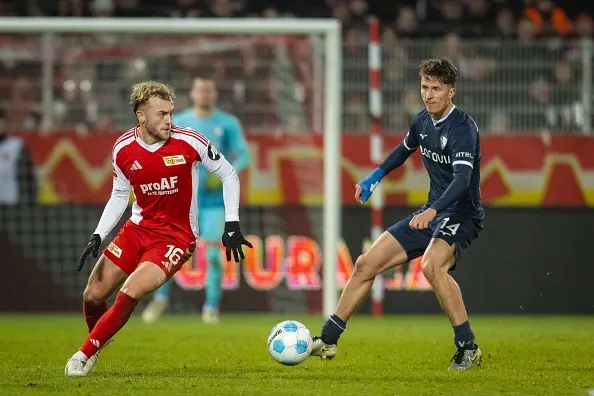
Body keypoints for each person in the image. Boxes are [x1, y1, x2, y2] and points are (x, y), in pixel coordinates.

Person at [64, 81, 252, 376]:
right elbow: (118, 195)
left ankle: (83, 355)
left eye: (171, 113)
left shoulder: (189, 140)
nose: (169, 120)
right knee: (92, 294)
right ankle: (98, 341)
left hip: (175, 238)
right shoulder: (123, 148)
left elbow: (229, 174)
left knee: (128, 293)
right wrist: (99, 233)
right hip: (137, 229)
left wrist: (232, 223)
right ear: (141, 116)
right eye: (162, 114)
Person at [311, 58, 484, 371]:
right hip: (432, 211)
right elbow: (404, 149)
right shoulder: (421, 121)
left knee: (432, 266)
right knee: (365, 264)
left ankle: (468, 348)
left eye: (436, 88)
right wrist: (373, 177)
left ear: (451, 92)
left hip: (461, 214)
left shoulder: (463, 129)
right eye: (424, 87)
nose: (428, 94)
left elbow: (461, 182)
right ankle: (328, 340)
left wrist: (433, 210)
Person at [142, 77, 251, 324]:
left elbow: (244, 155)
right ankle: (160, 299)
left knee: (213, 255)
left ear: (214, 94)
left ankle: (211, 307)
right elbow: (159, 154)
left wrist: (226, 172)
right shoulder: (179, 122)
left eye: (208, 90)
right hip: (181, 199)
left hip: (213, 201)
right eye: (200, 90)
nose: (204, 94)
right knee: (169, 250)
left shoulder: (228, 123)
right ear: (192, 94)